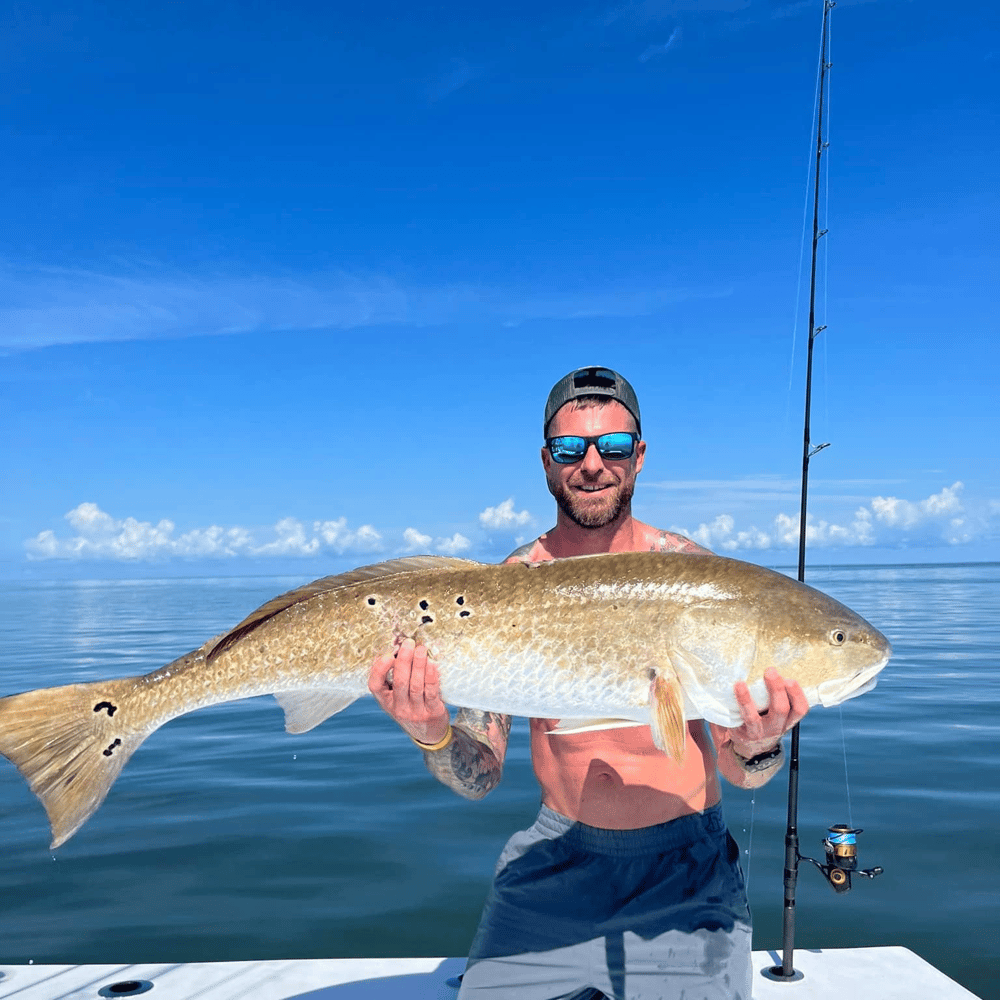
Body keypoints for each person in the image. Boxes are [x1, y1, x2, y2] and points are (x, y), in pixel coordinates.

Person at [368, 366, 809, 1000]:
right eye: (572, 448)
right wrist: (430, 731)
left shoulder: (696, 578)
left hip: (687, 868)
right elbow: (481, 774)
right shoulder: (505, 588)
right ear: (548, 461)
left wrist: (761, 741)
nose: (593, 463)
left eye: (614, 445)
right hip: (556, 859)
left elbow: (745, 772)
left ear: (639, 456)